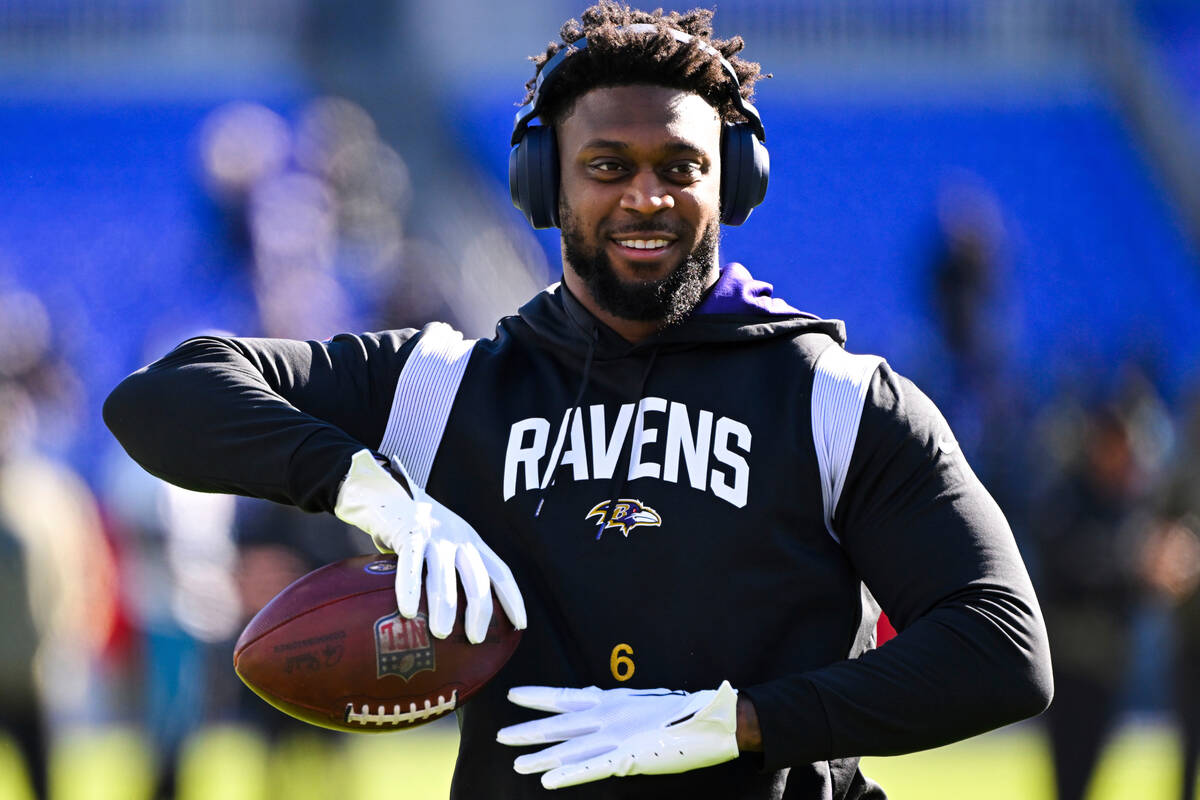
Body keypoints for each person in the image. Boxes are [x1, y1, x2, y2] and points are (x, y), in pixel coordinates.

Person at [103, 4, 1052, 798]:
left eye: (680, 166)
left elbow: (1003, 649)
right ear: (544, 184)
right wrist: (374, 493)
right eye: (607, 166)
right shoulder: (451, 386)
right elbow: (161, 398)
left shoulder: (834, 398)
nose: (646, 196)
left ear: (734, 183)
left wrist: (740, 721)